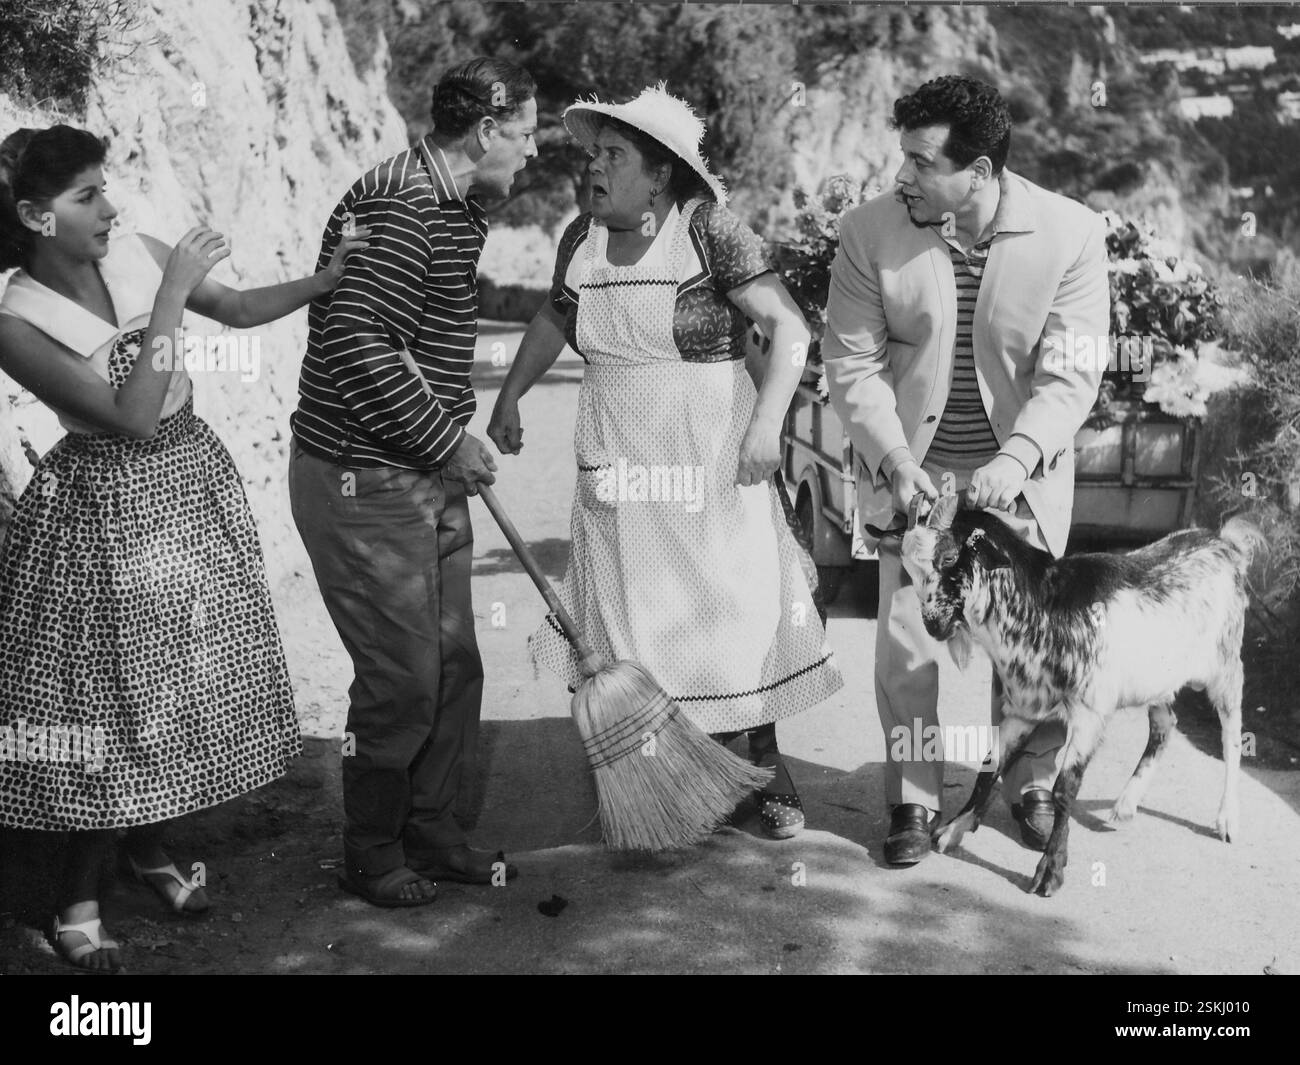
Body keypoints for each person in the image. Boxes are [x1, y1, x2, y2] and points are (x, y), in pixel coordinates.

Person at [0, 124, 362, 970]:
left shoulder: (133, 252)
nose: (110, 207)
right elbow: (127, 413)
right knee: (103, 701)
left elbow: (233, 309)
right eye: (85, 195)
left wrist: (328, 279)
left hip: (189, 485)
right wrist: (168, 295)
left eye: (104, 185)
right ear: (33, 215)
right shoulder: (13, 321)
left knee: (178, 680)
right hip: (103, 506)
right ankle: (77, 895)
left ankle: (151, 848)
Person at [489, 86, 842, 840]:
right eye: (592, 153)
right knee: (633, 614)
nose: (594, 168)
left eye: (614, 155)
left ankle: (761, 760)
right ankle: (669, 774)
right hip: (615, 451)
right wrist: (510, 395)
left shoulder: (708, 228)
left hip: (709, 449)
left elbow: (788, 329)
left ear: (659, 175)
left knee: (731, 606)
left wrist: (768, 425)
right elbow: (556, 313)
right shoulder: (579, 238)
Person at [821, 75, 1109, 865]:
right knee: (909, 644)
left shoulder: (1073, 233)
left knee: (1031, 645)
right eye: (902, 157)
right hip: (912, 473)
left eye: (920, 160)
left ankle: (1030, 784)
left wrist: (1017, 459)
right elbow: (851, 363)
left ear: (977, 174)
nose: (902, 175)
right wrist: (896, 460)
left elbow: (1072, 371)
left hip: (1022, 476)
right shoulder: (867, 232)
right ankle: (912, 799)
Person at [288, 57, 537, 907]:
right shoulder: (402, 204)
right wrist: (446, 438)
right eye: (528, 134)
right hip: (361, 476)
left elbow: (399, 339)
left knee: (454, 663)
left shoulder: (457, 206)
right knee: (402, 679)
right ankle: (370, 846)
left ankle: (432, 829)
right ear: (485, 132)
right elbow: (358, 344)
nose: (534, 153)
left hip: (421, 471)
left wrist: (442, 447)